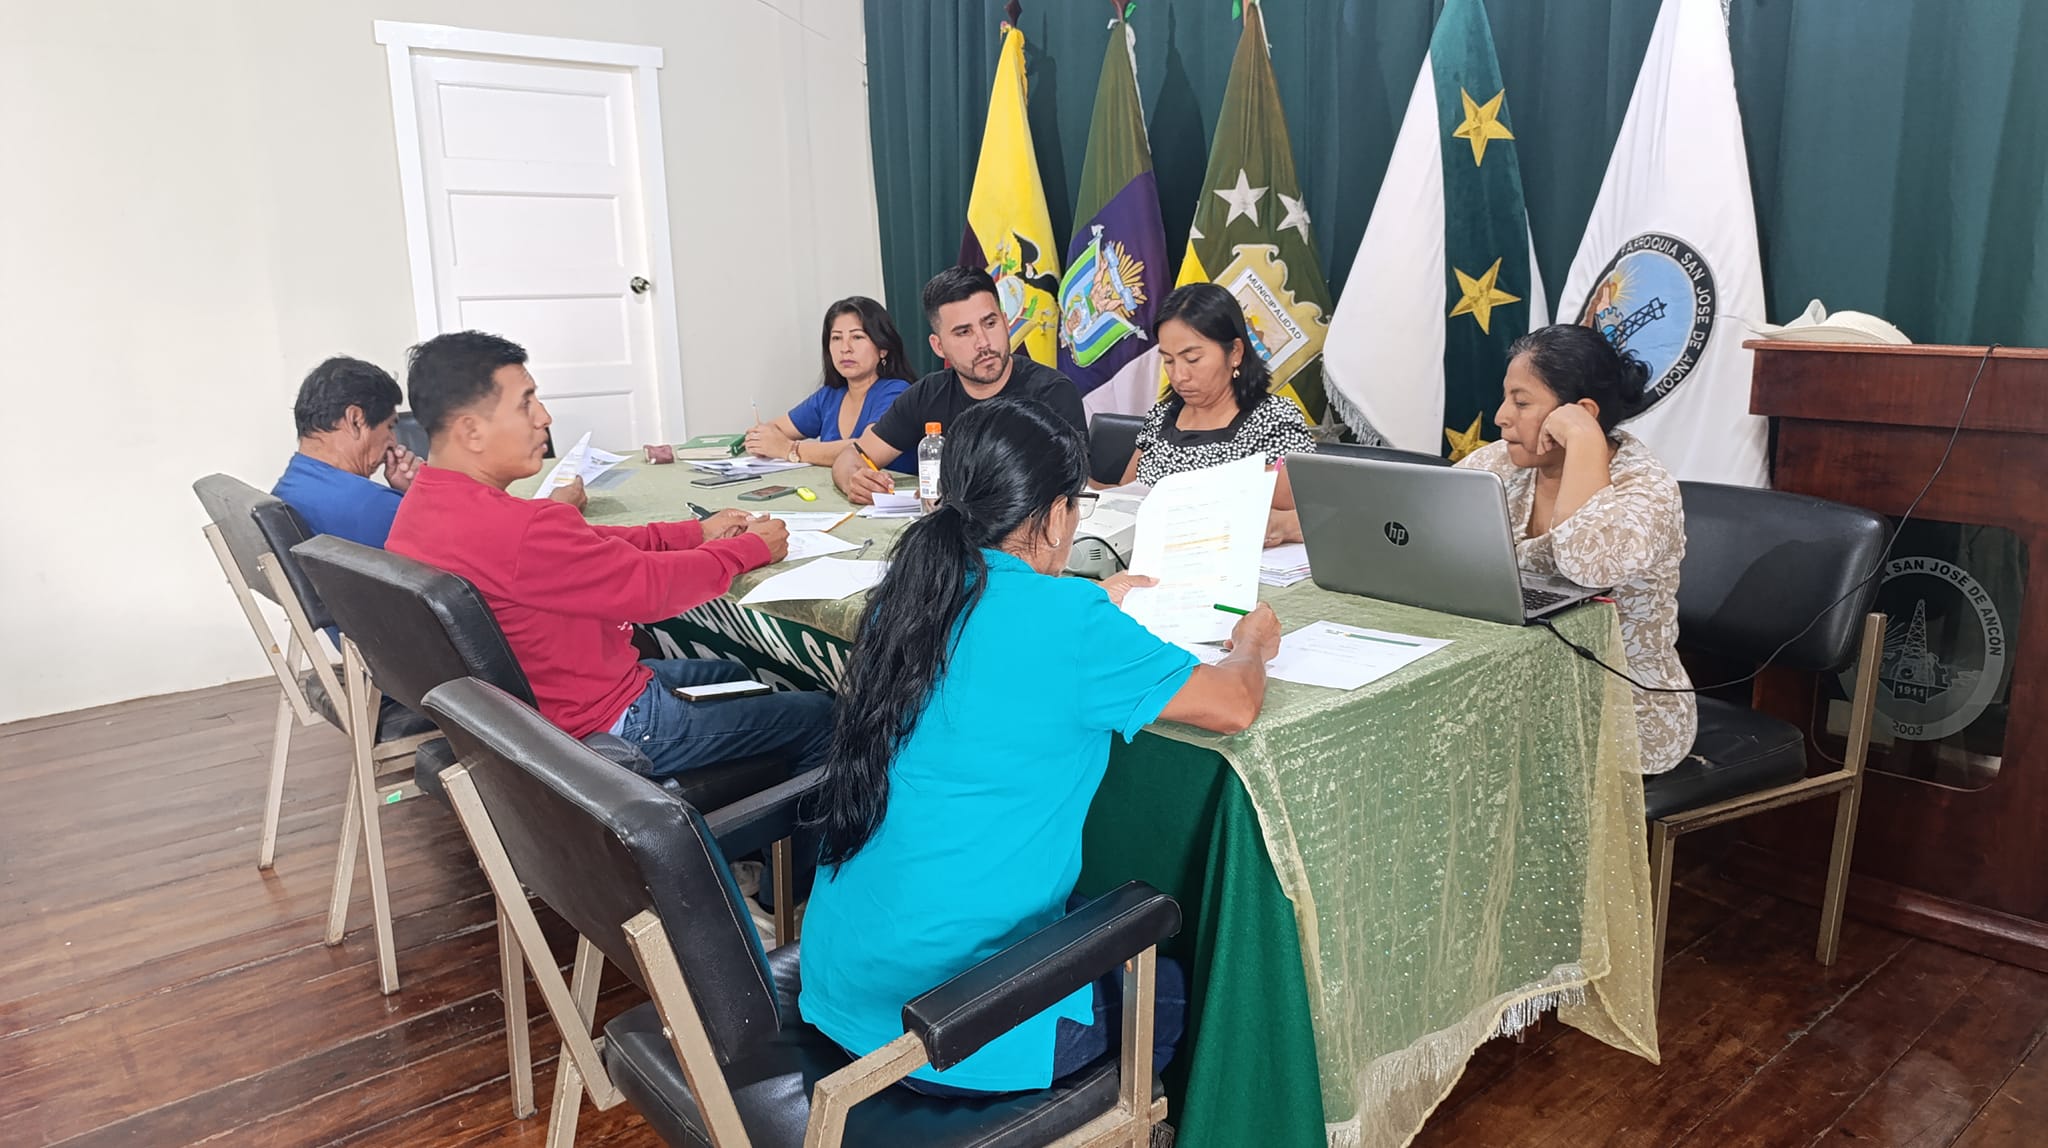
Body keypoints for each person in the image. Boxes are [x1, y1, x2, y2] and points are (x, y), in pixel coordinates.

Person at [799, 397, 1282, 1096]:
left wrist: (1089, 607)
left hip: (847, 979)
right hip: (950, 1031)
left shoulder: (909, 594)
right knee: (1205, 990)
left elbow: (1010, 639)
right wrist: (1251, 645)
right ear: (1056, 516)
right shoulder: (1070, 622)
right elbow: (1233, 705)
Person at [384, 330, 834, 779]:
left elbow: (589, 547)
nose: (544, 417)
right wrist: (749, 549)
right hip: (607, 723)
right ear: (471, 430)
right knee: (824, 718)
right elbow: (650, 589)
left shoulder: (420, 509)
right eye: (526, 403)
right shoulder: (518, 529)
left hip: (535, 716)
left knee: (729, 675)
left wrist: (696, 532)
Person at [1455, 323, 1695, 773]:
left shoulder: (1647, 489)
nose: (1501, 416)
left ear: (1581, 411)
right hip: (1513, 685)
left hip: (1623, 710)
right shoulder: (1499, 464)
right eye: (1506, 398)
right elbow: (1429, 529)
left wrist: (1585, 439)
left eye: (1521, 402)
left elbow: (1588, 565)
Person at [830, 266, 1087, 504]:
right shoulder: (927, 394)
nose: (983, 342)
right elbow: (852, 455)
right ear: (938, 346)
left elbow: (1070, 484)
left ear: (1006, 321)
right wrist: (854, 480)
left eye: (990, 323)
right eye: (964, 332)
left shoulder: (1052, 392)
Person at [1115, 283, 1316, 489]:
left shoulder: (1275, 420)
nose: (1179, 376)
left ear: (1235, 352)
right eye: (1169, 360)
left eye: (1192, 359)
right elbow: (1124, 494)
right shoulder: (1160, 416)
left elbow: (1300, 500)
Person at [743, 296, 914, 472]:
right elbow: (775, 429)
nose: (845, 348)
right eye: (836, 338)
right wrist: (760, 438)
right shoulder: (830, 395)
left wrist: (789, 449)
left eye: (857, 337)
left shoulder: (897, 392)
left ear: (883, 349)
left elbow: (864, 449)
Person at [271, 357, 419, 552]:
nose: (394, 441)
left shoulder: (285, 489)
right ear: (355, 420)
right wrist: (419, 496)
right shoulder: (375, 508)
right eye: (390, 426)